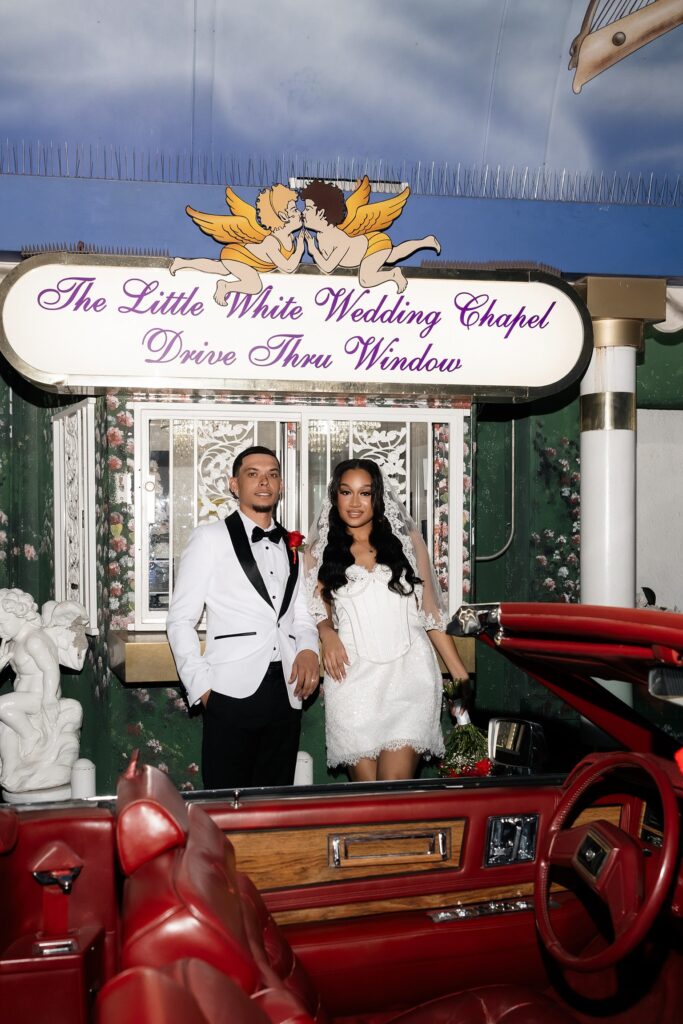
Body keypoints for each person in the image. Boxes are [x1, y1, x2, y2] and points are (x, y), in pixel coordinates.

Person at [304, 459, 470, 781]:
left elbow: (431, 613)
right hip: (351, 679)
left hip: (410, 676)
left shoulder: (407, 542)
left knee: (394, 788)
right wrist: (327, 632)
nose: (354, 503)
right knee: (368, 799)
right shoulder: (318, 551)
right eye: (346, 492)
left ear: (377, 496)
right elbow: (314, 611)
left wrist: (459, 673)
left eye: (364, 493)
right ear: (334, 496)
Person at [166, 445, 319, 789]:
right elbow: (180, 621)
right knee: (226, 805)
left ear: (280, 485)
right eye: (253, 474)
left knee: (275, 802)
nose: (264, 482)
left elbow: (301, 613)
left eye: (272, 474)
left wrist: (309, 649)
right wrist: (202, 688)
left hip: (287, 691)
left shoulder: (292, 545)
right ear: (235, 485)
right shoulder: (208, 539)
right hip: (229, 691)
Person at [300, 177, 440, 294]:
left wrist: (313, 250)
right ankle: (425, 242)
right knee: (394, 254)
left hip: (372, 246)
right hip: (369, 241)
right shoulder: (322, 235)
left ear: (321, 213)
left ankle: (393, 274)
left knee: (365, 279)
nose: (303, 212)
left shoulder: (338, 239)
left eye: (308, 209)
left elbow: (328, 267)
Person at [170, 183, 306, 302]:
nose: (300, 212)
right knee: (254, 285)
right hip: (239, 257)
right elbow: (288, 267)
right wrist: (300, 249)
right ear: (283, 216)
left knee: (220, 268)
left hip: (243, 257)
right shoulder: (272, 242)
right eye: (294, 210)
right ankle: (225, 286)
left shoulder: (289, 238)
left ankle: (182, 263)